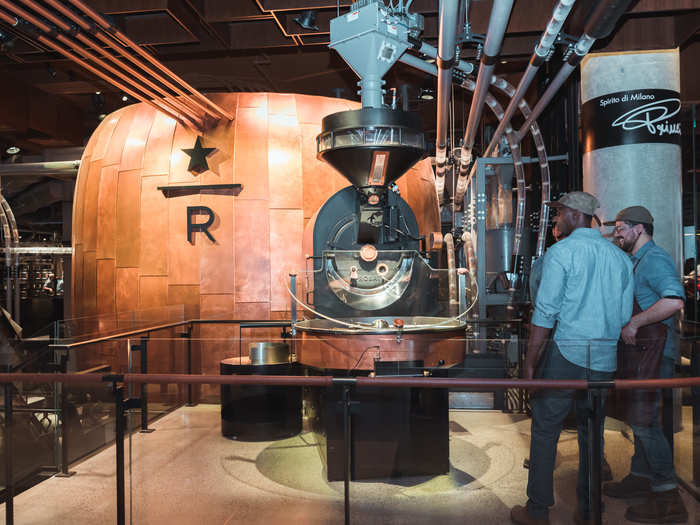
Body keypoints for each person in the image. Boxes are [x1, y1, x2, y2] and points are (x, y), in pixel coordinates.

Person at [511, 191, 634, 525]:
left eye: (559, 212)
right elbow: (623, 316)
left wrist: (531, 363)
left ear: (575, 215)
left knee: (546, 428)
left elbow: (545, 313)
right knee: (591, 433)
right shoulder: (620, 258)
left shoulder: (561, 253)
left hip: (566, 353)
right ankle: (591, 509)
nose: (556, 218)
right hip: (605, 358)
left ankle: (537, 510)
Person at [603, 206, 688, 523]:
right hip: (641, 354)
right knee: (639, 417)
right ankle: (640, 477)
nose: (617, 232)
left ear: (640, 229)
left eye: (622, 227)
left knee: (645, 422)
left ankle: (668, 497)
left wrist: (635, 323)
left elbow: (674, 300)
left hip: (656, 353)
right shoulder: (634, 261)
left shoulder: (654, 259)